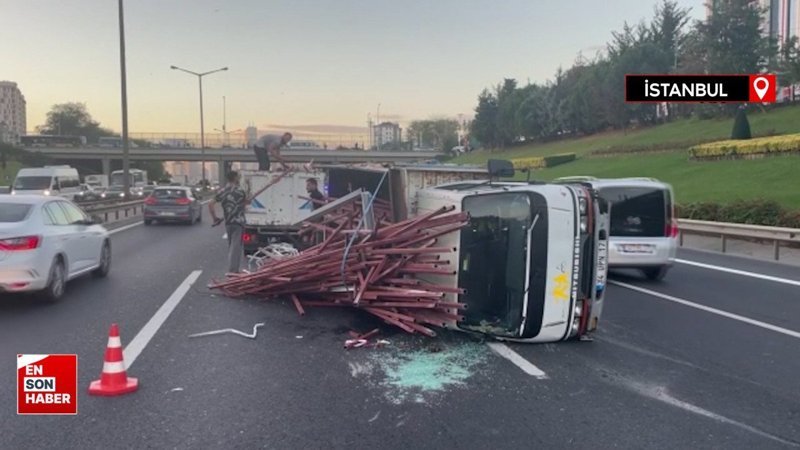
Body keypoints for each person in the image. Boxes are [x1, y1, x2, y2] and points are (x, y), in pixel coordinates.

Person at [209, 170, 247, 274]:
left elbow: (210, 204)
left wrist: (215, 218)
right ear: (235, 178)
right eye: (238, 177)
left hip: (228, 222)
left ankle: (234, 269)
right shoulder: (240, 191)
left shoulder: (222, 191)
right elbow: (247, 202)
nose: (239, 179)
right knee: (236, 247)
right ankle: (233, 271)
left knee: (232, 246)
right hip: (239, 222)